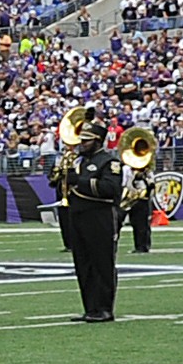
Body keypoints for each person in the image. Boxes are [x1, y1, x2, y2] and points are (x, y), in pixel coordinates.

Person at [60, 117, 123, 323]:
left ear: (97, 141)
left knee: (102, 263)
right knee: (83, 264)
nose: (81, 144)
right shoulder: (80, 162)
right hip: (78, 217)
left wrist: (80, 181)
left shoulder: (109, 162)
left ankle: (105, 308)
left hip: (100, 217)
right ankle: (90, 307)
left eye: (86, 141)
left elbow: (111, 189)